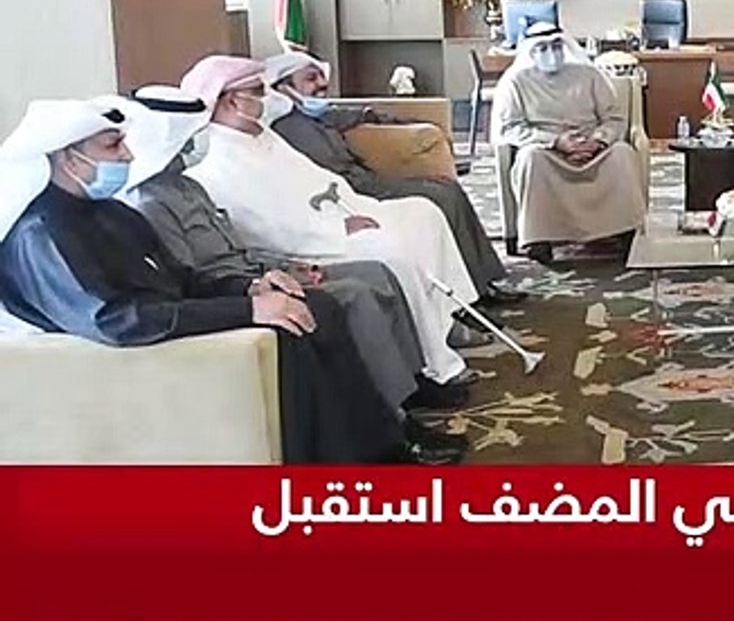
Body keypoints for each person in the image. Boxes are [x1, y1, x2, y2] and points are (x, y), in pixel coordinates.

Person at [0, 99, 446, 464]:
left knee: (317, 306)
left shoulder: (112, 213)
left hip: (167, 317)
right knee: (288, 329)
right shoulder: (43, 234)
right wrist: (249, 311)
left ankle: (379, 447)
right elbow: (117, 319)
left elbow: (180, 278)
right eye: (113, 146)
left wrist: (250, 288)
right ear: (67, 157)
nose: (128, 157)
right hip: (139, 342)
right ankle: (329, 463)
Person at [119, 87, 470, 419]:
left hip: (262, 269)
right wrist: (258, 284)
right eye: (190, 136)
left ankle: (415, 377)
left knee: (380, 273)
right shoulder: (150, 203)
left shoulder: (186, 185)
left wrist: (287, 267)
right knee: (355, 294)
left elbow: (236, 246)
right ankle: (393, 412)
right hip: (241, 287)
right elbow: (193, 275)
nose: (198, 142)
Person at [179, 55, 482, 385]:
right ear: (231, 101)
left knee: (424, 213)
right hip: (307, 239)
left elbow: (316, 177)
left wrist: (355, 208)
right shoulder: (216, 159)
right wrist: (337, 227)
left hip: (337, 213)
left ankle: (442, 319)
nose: (265, 97)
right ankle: (432, 359)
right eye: (256, 91)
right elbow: (264, 225)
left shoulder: (260, 136)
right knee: (393, 251)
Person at [263, 50, 522, 303]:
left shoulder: (317, 113)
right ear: (284, 88)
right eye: (311, 79)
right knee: (442, 197)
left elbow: (362, 114)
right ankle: (473, 290)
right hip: (346, 194)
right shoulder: (282, 127)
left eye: (321, 76)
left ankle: (481, 283)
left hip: (366, 182)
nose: (322, 84)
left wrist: (408, 125)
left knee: (447, 188)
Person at [492, 22, 646, 262]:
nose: (551, 53)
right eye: (543, 48)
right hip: (547, 151)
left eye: (556, 46)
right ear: (531, 50)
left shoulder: (589, 75)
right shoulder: (515, 81)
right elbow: (510, 128)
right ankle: (539, 239)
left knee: (622, 154)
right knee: (530, 159)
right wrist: (555, 142)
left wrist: (598, 141)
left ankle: (624, 231)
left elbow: (614, 118)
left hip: (593, 148)